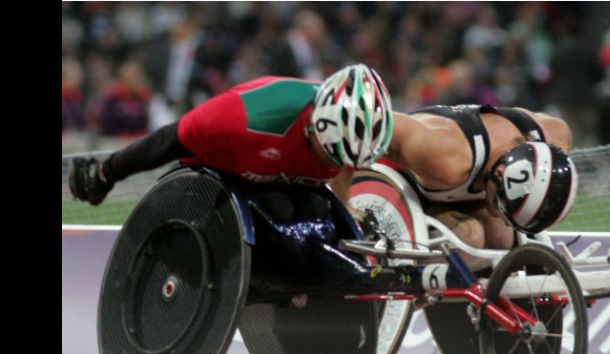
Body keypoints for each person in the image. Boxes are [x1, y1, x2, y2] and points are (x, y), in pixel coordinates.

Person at [68, 64, 394, 216]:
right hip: (224, 176)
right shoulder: (242, 118)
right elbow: (168, 140)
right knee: (276, 209)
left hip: (285, 182)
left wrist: (347, 205)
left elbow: (346, 164)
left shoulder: (351, 140)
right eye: (328, 154)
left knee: (316, 211)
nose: (334, 165)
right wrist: (106, 173)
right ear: (315, 125)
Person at [383, 104, 578, 250]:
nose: (503, 216)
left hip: (450, 188)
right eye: (502, 204)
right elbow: (370, 123)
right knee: (469, 237)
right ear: (501, 172)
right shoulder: (447, 155)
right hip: (396, 184)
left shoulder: (555, 137)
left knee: (501, 235)